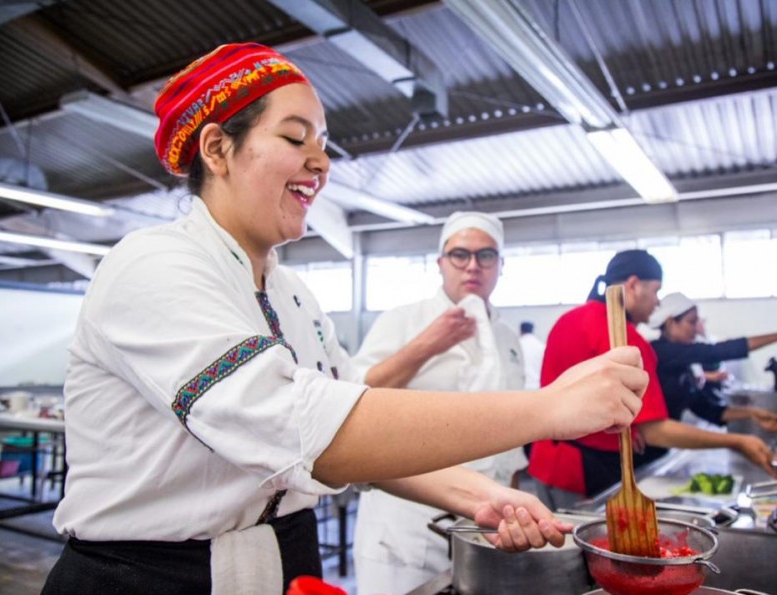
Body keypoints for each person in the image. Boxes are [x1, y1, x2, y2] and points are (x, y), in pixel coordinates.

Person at [42, 43, 650, 595]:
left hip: (281, 558)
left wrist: (480, 495)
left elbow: (357, 421)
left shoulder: (294, 295)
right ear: (217, 148)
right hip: (150, 576)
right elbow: (305, 430)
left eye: (324, 143)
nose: (320, 163)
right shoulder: (153, 264)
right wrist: (550, 407)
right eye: (295, 137)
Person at [351, 211, 530, 595]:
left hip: (484, 524)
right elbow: (355, 397)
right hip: (408, 523)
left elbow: (510, 435)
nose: (472, 266)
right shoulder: (404, 320)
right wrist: (427, 345)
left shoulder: (506, 338)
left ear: (500, 266)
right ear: (440, 263)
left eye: (486, 256)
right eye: (459, 254)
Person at [527, 250, 776, 511]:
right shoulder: (626, 339)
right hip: (585, 473)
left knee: (555, 549)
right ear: (633, 285)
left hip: (543, 461)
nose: (657, 303)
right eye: (656, 291)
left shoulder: (567, 321)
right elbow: (654, 430)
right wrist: (738, 442)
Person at [649, 292, 777, 432]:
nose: (696, 328)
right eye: (691, 322)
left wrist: (753, 413)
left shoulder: (684, 364)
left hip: (663, 448)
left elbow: (708, 410)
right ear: (671, 322)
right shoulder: (661, 352)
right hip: (647, 451)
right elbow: (718, 351)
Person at [519, 321, 546, 391]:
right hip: (537, 386)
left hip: (520, 387)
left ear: (521, 331)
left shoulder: (517, 345)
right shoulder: (541, 346)